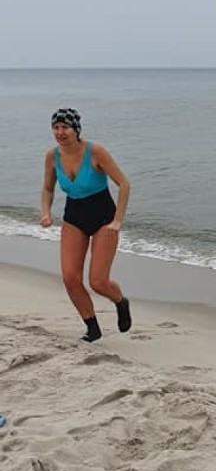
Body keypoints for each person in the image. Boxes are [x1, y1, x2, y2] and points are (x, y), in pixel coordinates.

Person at [40, 108, 132, 342]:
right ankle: (92, 327)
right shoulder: (52, 156)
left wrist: (118, 220)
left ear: (76, 130)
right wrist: (45, 213)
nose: (60, 132)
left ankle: (120, 302)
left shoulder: (95, 152)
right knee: (70, 278)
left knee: (98, 281)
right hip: (74, 217)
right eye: (56, 127)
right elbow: (48, 188)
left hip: (104, 219)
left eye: (65, 128)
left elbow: (123, 184)